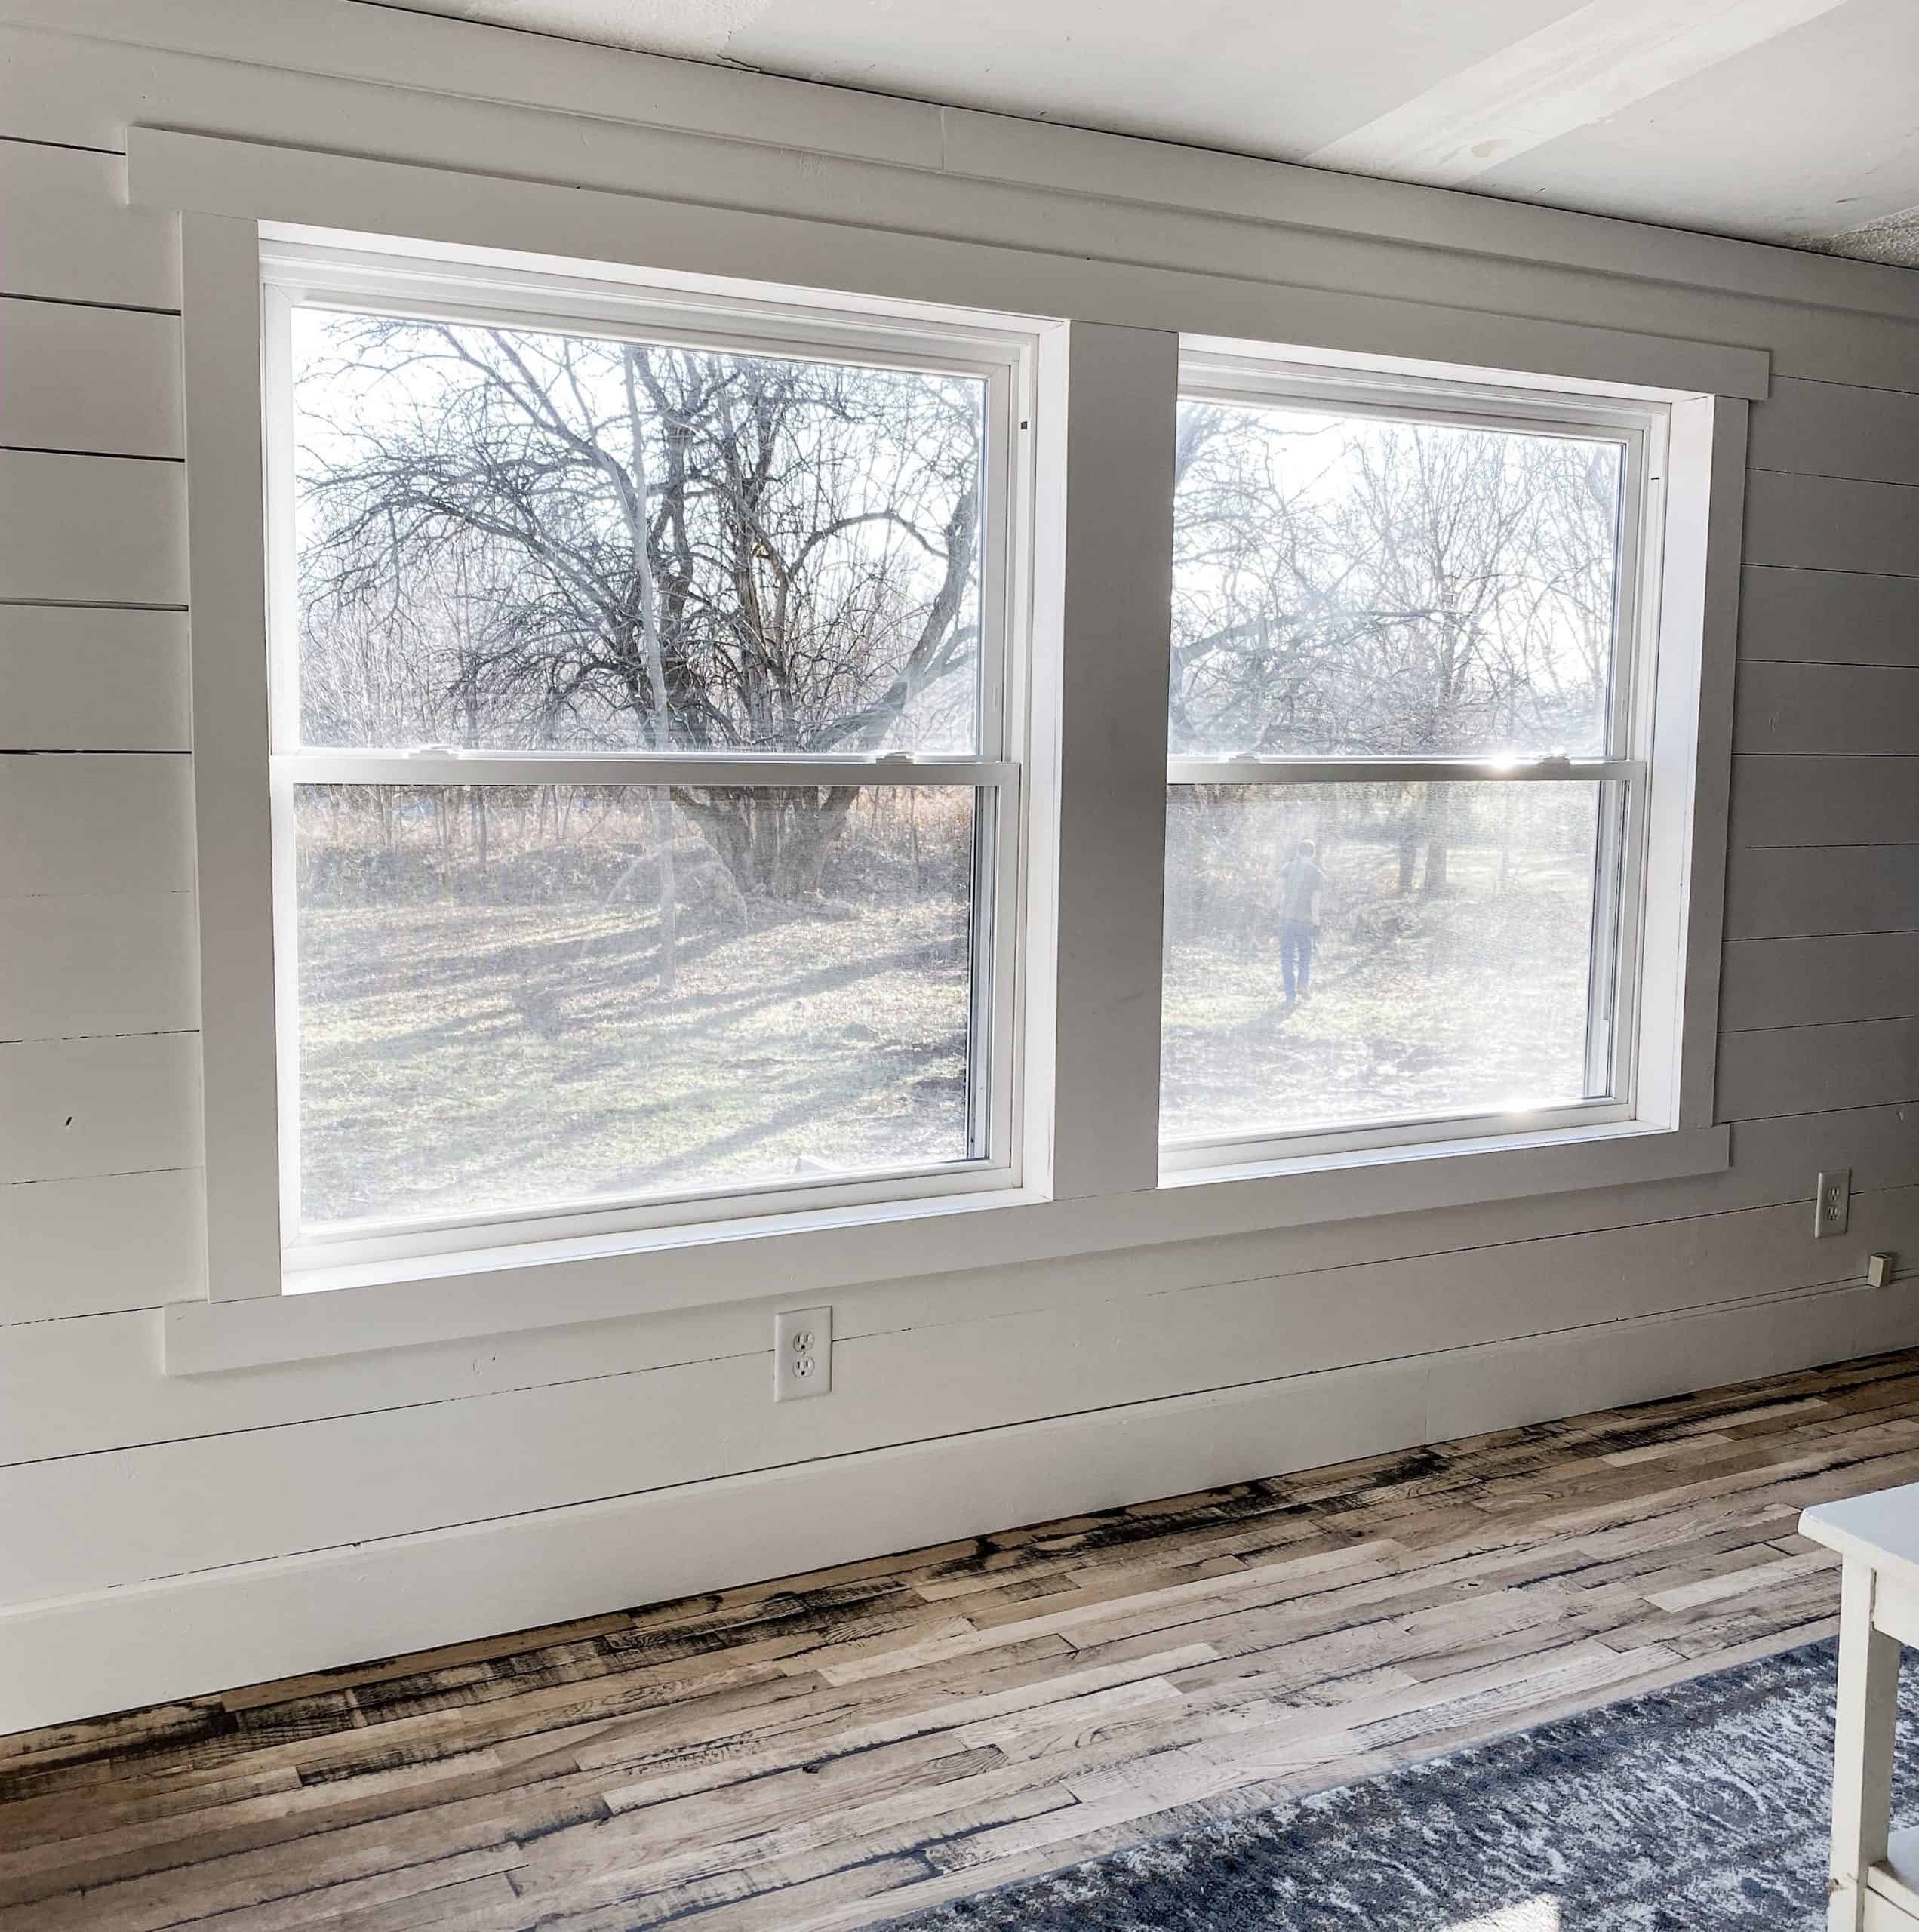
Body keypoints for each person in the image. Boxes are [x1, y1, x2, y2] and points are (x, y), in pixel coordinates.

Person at [1275, 838, 1326, 1005]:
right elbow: (1315, 902)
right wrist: (1316, 923)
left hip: (1286, 918)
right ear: (1313, 854)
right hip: (1305, 920)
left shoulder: (1287, 868)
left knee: (1287, 955)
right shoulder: (1317, 874)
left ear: (1298, 852)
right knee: (1306, 953)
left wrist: (1274, 909)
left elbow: (1278, 890)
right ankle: (1303, 982)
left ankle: (1290, 994)